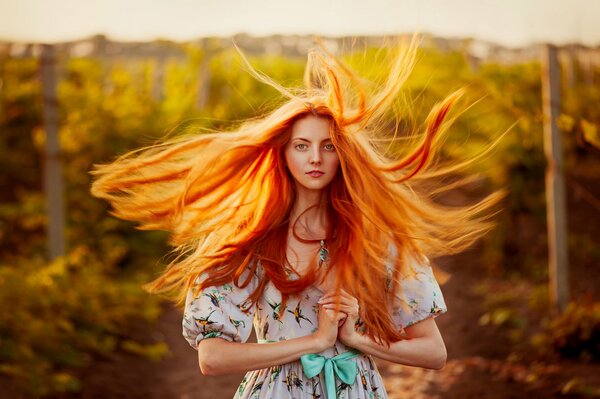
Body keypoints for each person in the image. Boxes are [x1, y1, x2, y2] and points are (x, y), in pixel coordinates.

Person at [90, 33, 501, 399]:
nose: (316, 158)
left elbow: (433, 352)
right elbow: (211, 359)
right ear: (282, 154)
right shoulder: (250, 237)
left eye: (328, 146)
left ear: (345, 155)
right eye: (302, 146)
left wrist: (355, 338)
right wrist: (314, 341)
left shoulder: (379, 238)